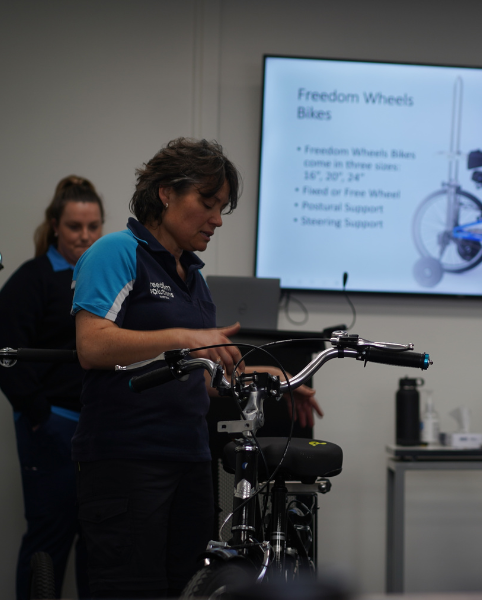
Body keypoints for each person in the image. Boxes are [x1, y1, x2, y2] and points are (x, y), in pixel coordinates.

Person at [70, 137, 322, 597]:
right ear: (166, 192)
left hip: (189, 459)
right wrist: (189, 338)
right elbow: (92, 346)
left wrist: (269, 380)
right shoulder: (117, 253)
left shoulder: (193, 277)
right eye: (207, 202)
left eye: (222, 206)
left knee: (191, 588)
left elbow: (203, 380)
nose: (217, 219)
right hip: (127, 460)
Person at [0, 175, 105, 600]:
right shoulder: (31, 280)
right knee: (48, 542)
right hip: (52, 429)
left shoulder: (105, 278)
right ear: (55, 225)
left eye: (94, 226)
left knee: (98, 544)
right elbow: (8, 357)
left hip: (100, 433)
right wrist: (41, 417)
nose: (85, 236)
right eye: (75, 226)